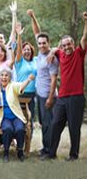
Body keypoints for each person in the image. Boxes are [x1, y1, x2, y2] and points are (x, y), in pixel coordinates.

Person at [45, 12, 87, 161]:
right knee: (56, 124)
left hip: (76, 97)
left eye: (69, 44)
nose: (67, 47)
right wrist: (53, 51)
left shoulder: (79, 53)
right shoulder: (60, 54)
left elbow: (84, 38)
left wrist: (86, 22)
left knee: (74, 128)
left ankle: (73, 155)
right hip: (62, 97)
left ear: (73, 44)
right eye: (64, 45)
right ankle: (51, 153)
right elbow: (54, 49)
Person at [28, 10, 59, 157]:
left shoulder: (52, 59)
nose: (41, 45)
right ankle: (45, 147)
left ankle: (50, 152)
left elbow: (54, 79)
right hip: (39, 95)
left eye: (44, 43)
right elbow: (37, 32)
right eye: (39, 43)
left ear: (49, 43)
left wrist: (50, 97)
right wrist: (33, 17)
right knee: (43, 123)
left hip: (48, 95)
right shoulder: (41, 53)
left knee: (49, 124)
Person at [0, 69, 34, 162]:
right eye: (2, 75)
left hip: (16, 116)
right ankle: (6, 152)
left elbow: (21, 87)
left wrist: (28, 80)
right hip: (5, 117)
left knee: (20, 129)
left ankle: (20, 151)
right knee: (8, 129)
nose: (4, 77)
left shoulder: (12, 85)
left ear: (9, 78)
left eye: (6, 75)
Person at [15, 22, 37, 133]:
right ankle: (20, 140)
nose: (27, 51)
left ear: (31, 50)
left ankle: (29, 142)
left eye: (28, 49)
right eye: (25, 49)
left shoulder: (35, 60)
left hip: (32, 94)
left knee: (30, 118)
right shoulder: (19, 61)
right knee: (20, 118)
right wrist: (19, 35)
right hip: (21, 93)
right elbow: (18, 49)